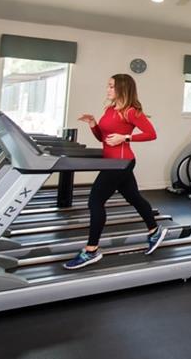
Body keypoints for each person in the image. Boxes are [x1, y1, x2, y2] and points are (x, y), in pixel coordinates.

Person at [64, 73, 168, 269]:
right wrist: (93, 124)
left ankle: (91, 250)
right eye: (108, 86)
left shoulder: (131, 112)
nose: (108, 89)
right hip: (114, 162)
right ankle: (154, 231)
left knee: (95, 201)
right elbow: (102, 139)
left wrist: (126, 137)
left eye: (111, 86)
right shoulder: (110, 109)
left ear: (122, 88)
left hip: (120, 163)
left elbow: (151, 134)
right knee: (134, 197)